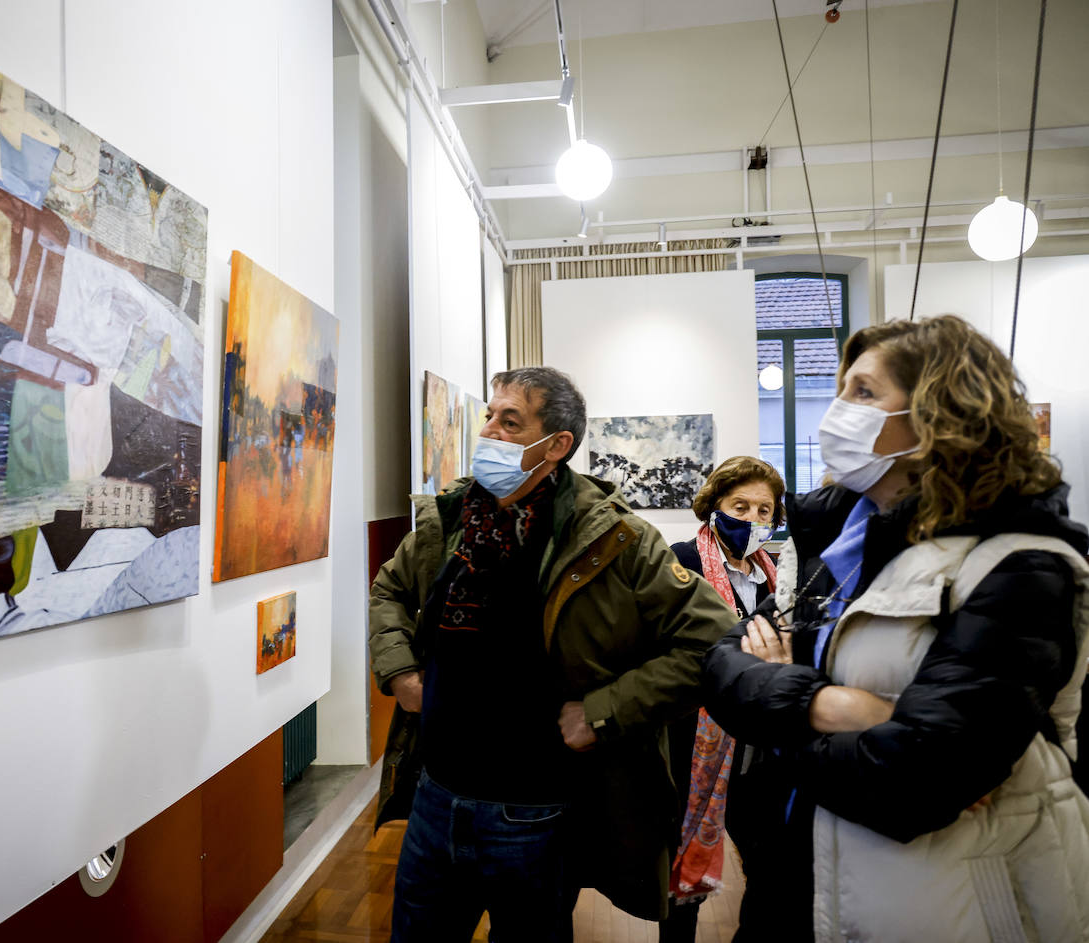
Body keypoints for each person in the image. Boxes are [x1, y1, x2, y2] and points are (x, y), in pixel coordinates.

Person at [702, 315, 1089, 941]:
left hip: (947, 903)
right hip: (806, 874)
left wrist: (787, 704)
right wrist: (841, 707)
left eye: (862, 392)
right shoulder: (853, 540)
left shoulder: (1023, 564)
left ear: (941, 412)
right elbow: (723, 663)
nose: (837, 412)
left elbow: (916, 781)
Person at [369, 366, 738, 942]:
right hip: (435, 794)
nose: (487, 431)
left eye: (509, 421)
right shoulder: (448, 520)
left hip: (535, 813)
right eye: (489, 415)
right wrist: (399, 671)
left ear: (557, 445)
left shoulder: (615, 539)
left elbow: (712, 638)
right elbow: (389, 590)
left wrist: (602, 711)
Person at [661, 457, 785, 942]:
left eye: (764, 510)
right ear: (714, 506)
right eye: (740, 506)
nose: (752, 519)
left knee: (769, 863)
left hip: (759, 746)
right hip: (694, 743)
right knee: (683, 873)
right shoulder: (680, 561)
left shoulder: (775, 577)